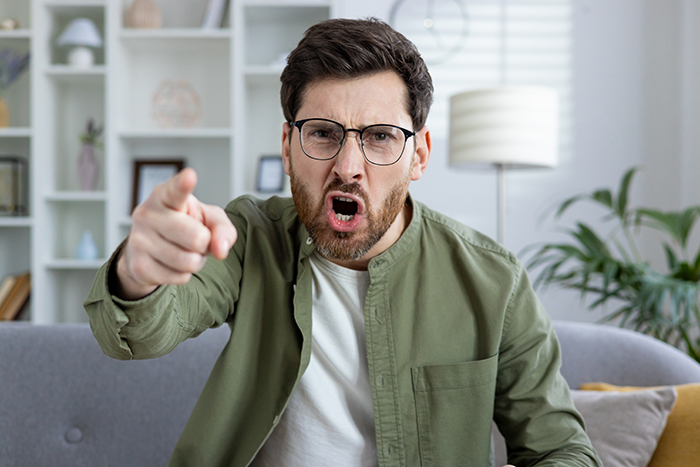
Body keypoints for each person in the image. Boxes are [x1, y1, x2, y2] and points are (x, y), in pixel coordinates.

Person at [84, 18, 601, 467]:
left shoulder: (494, 282)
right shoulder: (249, 238)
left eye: (379, 136)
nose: (348, 167)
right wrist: (139, 271)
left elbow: (564, 450)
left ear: (419, 154)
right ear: (288, 148)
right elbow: (136, 334)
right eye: (324, 133)